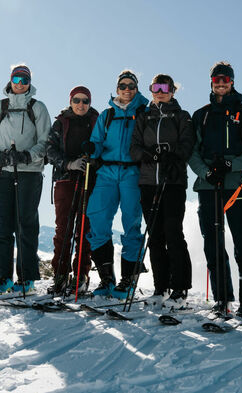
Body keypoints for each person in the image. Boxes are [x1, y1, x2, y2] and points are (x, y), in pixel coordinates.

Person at [189, 61, 242, 318]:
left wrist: (231, 163)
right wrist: (205, 172)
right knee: (213, 242)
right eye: (217, 79)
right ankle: (222, 299)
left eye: (226, 79)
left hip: (235, 185)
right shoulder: (202, 114)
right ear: (211, 82)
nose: (221, 83)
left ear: (232, 82)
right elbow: (192, 152)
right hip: (208, 185)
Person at [0, 64, 51, 295]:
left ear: (30, 82)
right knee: (1, 225)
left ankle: (27, 279)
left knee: (26, 225)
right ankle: (4, 278)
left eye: (24, 79)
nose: (20, 83)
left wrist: (27, 155)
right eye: (16, 78)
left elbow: (45, 141)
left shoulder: (37, 108)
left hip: (29, 173)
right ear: (10, 80)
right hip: (0, 172)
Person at [130, 74, 195, 308]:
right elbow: (134, 148)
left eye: (164, 87)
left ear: (172, 91)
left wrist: (172, 156)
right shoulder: (144, 116)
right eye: (155, 87)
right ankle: (160, 287)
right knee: (155, 235)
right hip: (149, 181)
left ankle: (180, 288)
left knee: (173, 232)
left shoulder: (181, 116)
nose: (160, 91)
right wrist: (148, 154)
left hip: (173, 181)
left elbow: (188, 144)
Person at [86, 70, 149, 299]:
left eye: (131, 85)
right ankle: (106, 279)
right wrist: (91, 151)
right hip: (107, 171)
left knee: (131, 222)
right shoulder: (108, 114)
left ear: (136, 88)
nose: (126, 89)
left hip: (133, 171)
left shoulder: (144, 112)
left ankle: (127, 279)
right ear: (117, 87)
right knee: (98, 219)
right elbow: (96, 141)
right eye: (123, 85)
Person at [45, 85, 99, 295]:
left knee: (84, 229)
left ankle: (81, 275)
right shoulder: (61, 122)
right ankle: (60, 274)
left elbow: (103, 147)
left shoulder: (96, 122)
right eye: (76, 100)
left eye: (85, 100)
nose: (81, 104)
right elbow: (50, 150)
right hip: (66, 180)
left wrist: (92, 160)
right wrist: (69, 164)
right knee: (63, 229)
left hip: (88, 180)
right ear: (70, 101)